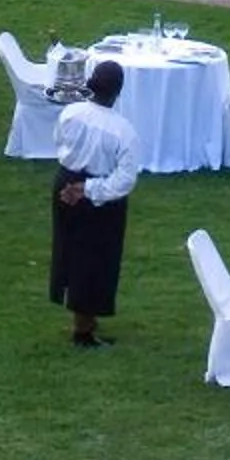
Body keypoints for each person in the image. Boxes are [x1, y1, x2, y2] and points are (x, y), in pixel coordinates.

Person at [50, 56, 141, 348]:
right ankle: (83, 331)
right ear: (117, 92)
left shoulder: (70, 114)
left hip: (65, 185)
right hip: (99, 199)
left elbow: (60, 143)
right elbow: (125, 179)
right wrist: (89, 189)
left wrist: (74, 185)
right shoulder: (123, 131)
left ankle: (84, 321)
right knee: (95, 261)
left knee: (71, 250)